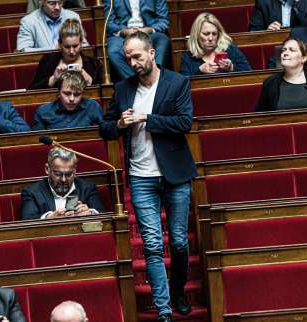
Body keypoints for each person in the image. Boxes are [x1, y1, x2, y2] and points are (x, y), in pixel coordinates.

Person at [99, 31, 197, 322]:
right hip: (141, 177)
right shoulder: (123, 89)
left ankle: (178, 291)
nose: (132, 62)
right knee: (153, 246)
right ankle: (164, 310)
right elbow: (104, 127)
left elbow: (184, 123)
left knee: (178, 242)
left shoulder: (177, 83)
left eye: (137, 56)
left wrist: (146, 119)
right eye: (128, 57)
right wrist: (118, 123)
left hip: (175, 175)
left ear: (152, 53)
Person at [21, 147, 104, 220]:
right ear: (47, 169)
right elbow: (27, 220)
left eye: (68, 174)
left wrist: (90, 213)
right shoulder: (32, 192)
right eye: (58, 174)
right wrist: (49, 218)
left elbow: (103, 214)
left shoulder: (87, 188)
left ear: (74, 171)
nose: (64, 180)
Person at [104, 0, 171, 82]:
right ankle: (138, 84)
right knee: (113, 51)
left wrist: (149, 30)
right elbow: (109, 22)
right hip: (122, 34)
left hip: (149, 32)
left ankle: (156, 80)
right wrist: (123, 31)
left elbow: (163, 21)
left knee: (163, 41)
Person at [29, 18, 103, 89]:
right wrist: (54, 78)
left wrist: (88, 79)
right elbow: (32, 91)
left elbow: (105, 93)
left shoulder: (94, 64)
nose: (71, 51)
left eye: (75, 46)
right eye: (67, 47)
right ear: (60, 44)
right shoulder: (48, 61)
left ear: (81, 43)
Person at [179, 12, 252, 76]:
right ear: (196, 35)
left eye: (214, 34)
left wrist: (231, 67)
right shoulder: (187, 57)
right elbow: (183, 86)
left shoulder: (229, 48)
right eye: (206, 34)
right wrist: (200, 71)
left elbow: (249, 73)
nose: (210, 38)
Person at [32, 71, 103, 130]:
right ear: (59, 93)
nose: (72, 99)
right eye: (67, 93)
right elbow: (37, 143)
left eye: (77, 94)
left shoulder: (92, 107)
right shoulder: (43, 112)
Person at [17, 0, 88, 52]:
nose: (57, 7)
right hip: (44, 66)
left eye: (60, 3)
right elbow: (24, 51)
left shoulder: (73, 16)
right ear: (41, 2)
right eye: (52, 3)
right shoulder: (28, 21)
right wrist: (54, 49)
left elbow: (85, 45)